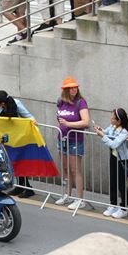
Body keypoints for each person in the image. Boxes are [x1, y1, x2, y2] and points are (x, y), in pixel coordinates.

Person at [55, 76, 90, 210]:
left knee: (75, 169)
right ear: (65, 90)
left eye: (75, 87)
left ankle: (80, 199)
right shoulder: (61, 102)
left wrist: (69, 124)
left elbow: (86, 122)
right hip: (62, 139)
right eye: (71, 87)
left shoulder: (81, 102)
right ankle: (67, 194)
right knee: (65, 168)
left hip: (75, 140)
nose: (74, 89)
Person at [95, 108, 128, 219]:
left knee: (121, 184)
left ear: (119, 121)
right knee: (113, 181)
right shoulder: (113, 126)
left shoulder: (125, 131)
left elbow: (114, 144)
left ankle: (123, 208)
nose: (111, 119)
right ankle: (113, 204)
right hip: (113, 157)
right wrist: (100, 130)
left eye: (113, 118)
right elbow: (106, 132)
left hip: (123, 160)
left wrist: (102, 135)